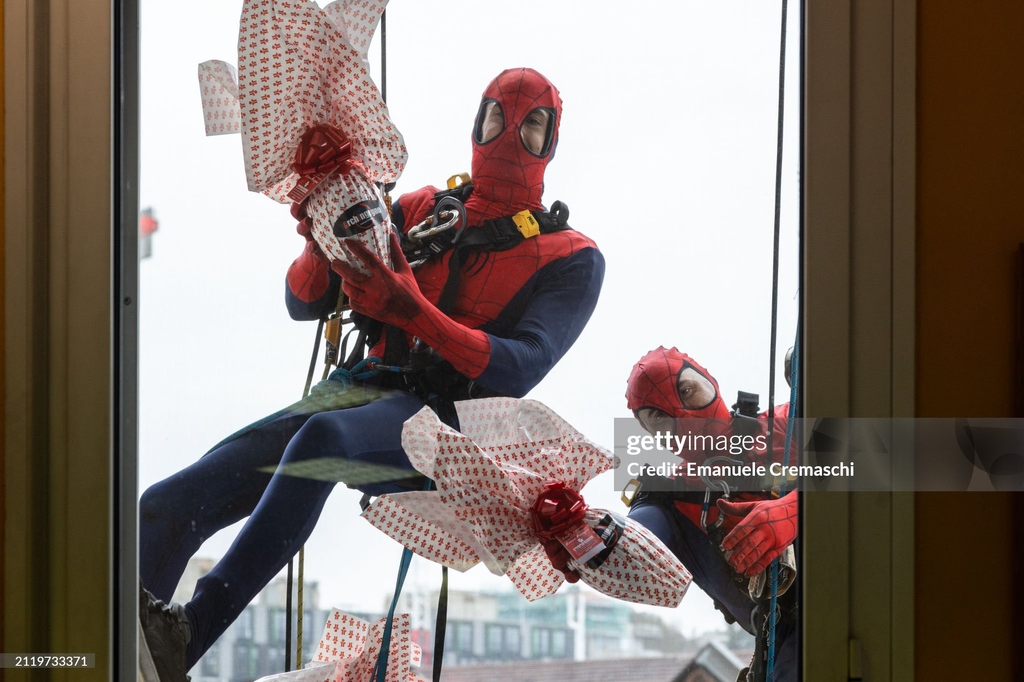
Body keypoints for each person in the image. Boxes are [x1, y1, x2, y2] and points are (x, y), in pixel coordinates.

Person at [138, 67, 604, 681]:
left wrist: (416, 312)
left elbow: (522, 365)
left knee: (324, 442)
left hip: (445, 424)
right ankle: (132, 647)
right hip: (357, 391)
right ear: (476, 121)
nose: (510, 130)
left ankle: (193, 626)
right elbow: (306, 301)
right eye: (497, 112)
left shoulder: (572, 255)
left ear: (553, 144)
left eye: (533, 123)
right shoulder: (416, 208)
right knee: (165, 504)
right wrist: (318, 231)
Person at [545, 346, 798, 681]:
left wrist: (792, 510)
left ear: (710, 379)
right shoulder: (670, 498)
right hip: (790, 646)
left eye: (688, 391)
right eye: (660, 417)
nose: (684, 414)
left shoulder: (785, 428)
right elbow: (628, 540)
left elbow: (878, 463)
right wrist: (573, 534)